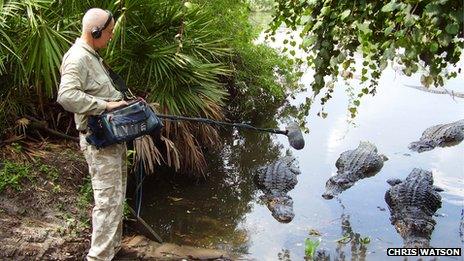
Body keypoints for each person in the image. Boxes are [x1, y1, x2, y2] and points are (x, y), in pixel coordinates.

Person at [57, 8, 129, 261]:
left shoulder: (94, 57)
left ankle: (114, 250)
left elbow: (103, 93)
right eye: (108, 33)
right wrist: (106, 106)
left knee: (117, 199)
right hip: (98, 142)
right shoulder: (77, 58)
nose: (110, 37)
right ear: (95, 31)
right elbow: (66, 96)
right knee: (107, 202)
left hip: (113, 139)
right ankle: (98, 257)